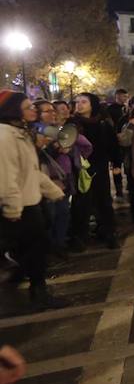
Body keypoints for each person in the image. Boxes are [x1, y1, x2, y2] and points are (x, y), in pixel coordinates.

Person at [0, 90, 67, 309]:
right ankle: (37, 291)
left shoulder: (20, 133)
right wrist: (12, 207)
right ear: (14, 110)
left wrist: (51, 190)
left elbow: (30, 170)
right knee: (37, 247)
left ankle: (24, 279)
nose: (34, 110)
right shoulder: (5, 135)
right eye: (29, 107)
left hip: (28, 202)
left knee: (34, 246)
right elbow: (6, 174)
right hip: (18, 205)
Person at [34, 100, 93, 257]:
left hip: (64, 178)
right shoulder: (34, 133)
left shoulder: (56, 129)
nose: (53, 113)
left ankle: (58, 246)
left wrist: (69, 148)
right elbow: (35, 159)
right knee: (50, 217)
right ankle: (47, 249)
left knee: (63, 214)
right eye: (47, 111)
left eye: (53, 110)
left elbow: (83, 144)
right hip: (47, 180)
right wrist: (50, 148)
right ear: (37, 114)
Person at [70, 93, 120, 248]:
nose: (79, 105)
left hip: (100, 167)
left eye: (84, 102)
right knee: (81, 203)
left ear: (93, 104)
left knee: (103, 201)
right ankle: (79, 236)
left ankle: (108, 232)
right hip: (80, 169)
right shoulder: (72, 124)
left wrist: (117, 164)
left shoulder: (103, 124)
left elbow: (113, 145)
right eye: (77, 102)